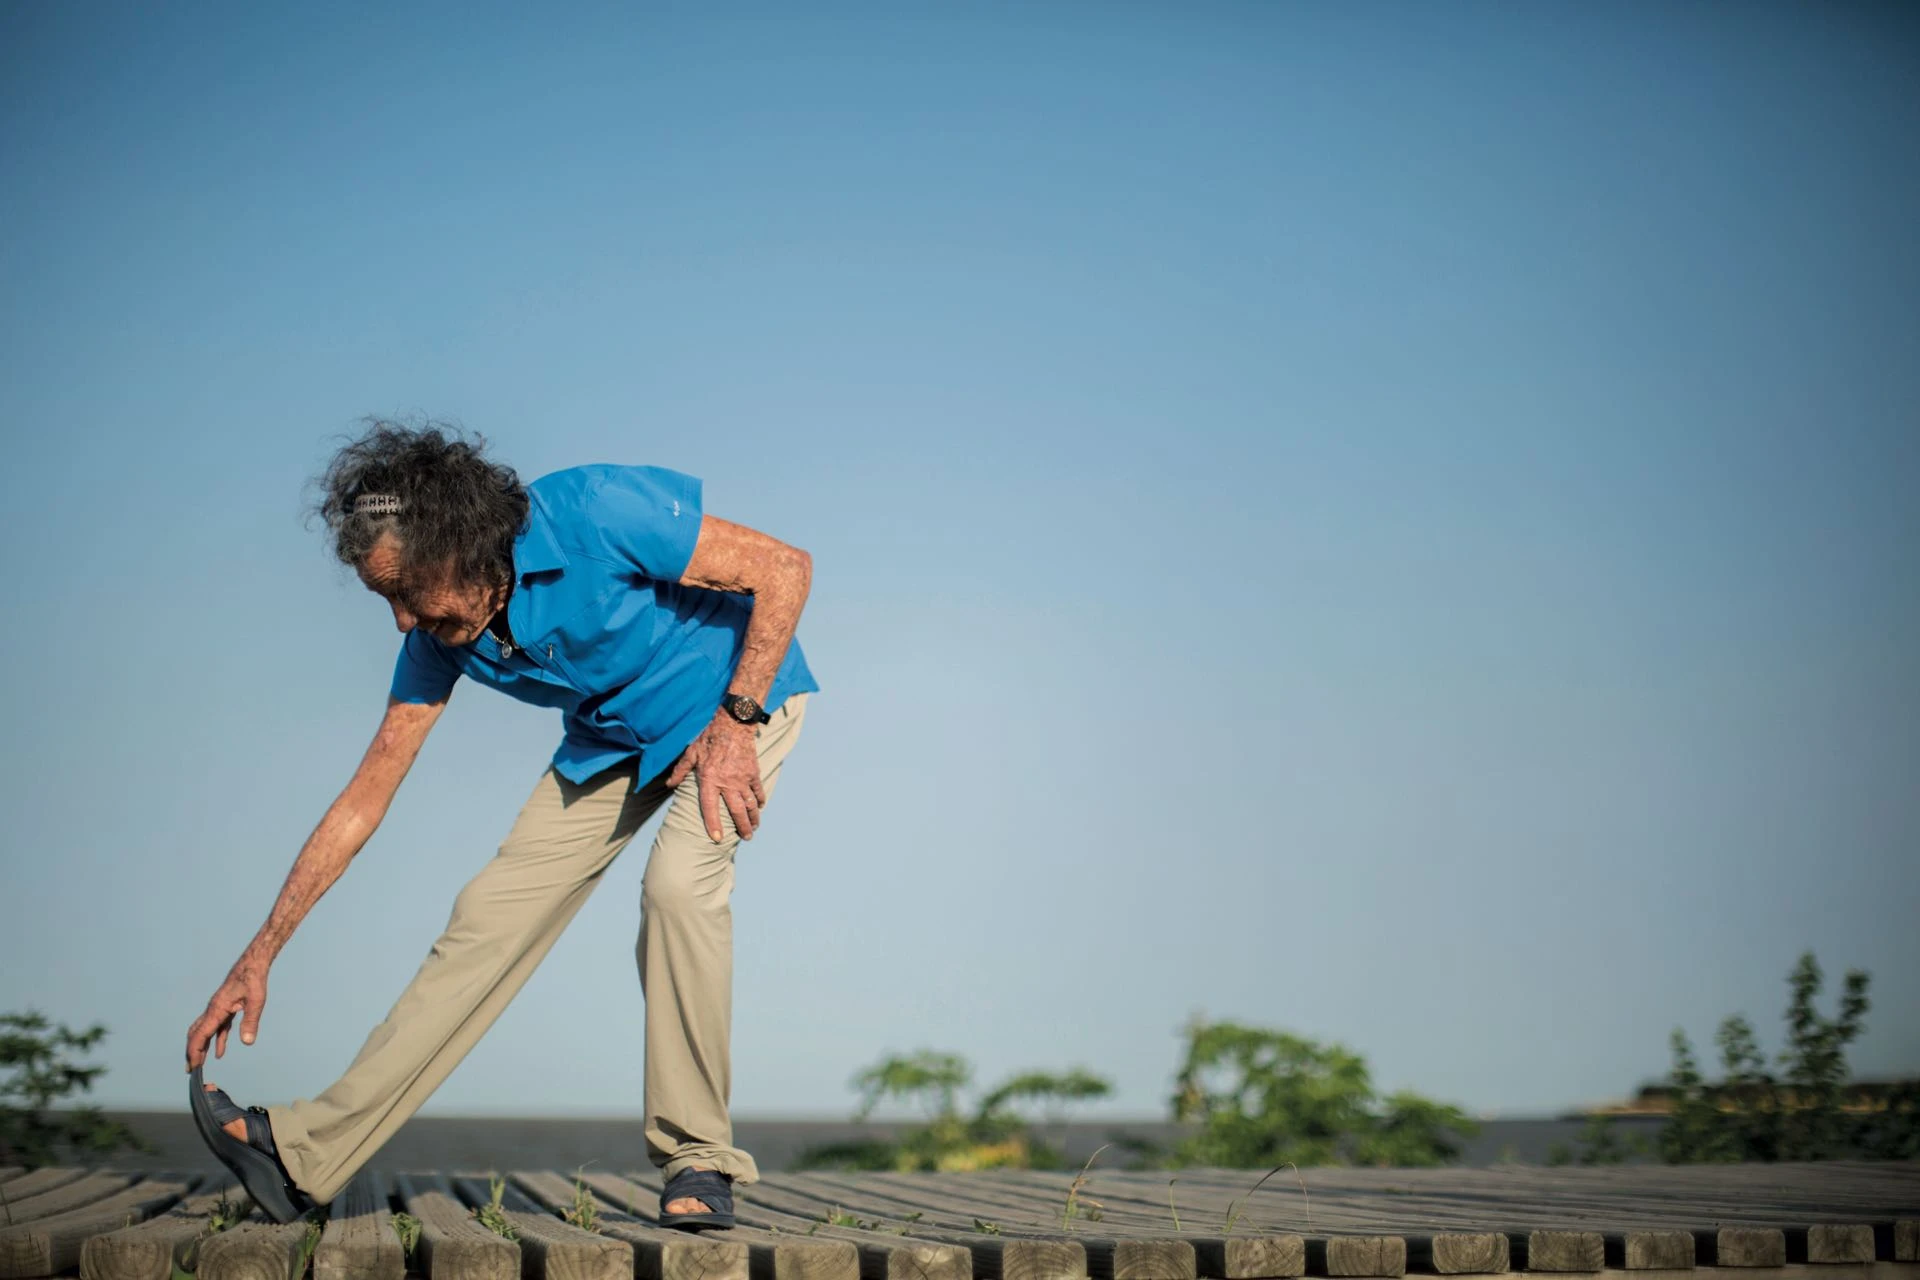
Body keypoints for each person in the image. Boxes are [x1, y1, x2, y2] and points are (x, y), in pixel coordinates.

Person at [182, 421, 816, 1229]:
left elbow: (783, 569)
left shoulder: (593, 512)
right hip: (611, 742)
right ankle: (303, 1154)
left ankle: (699, 1156)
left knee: (677, 891)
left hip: (734, 699)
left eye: (405, 589)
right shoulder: (441, 640)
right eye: (386, 600)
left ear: (462, 543)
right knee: (483, 922)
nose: (403, 622)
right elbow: (364, 796)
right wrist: (261, 949)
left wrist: (734, 724)